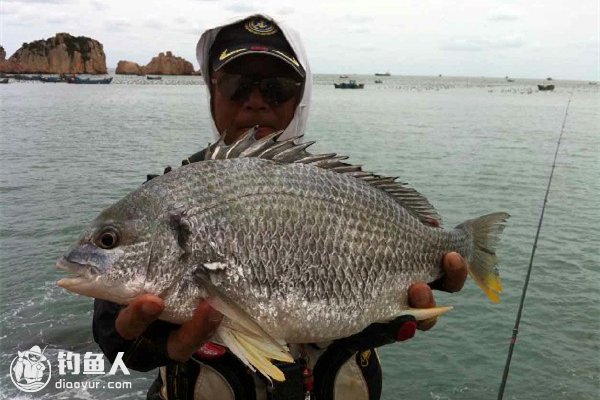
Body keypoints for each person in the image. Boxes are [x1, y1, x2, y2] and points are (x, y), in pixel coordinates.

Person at [93, 14, 468, 400]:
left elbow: (383, 276)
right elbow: (112, 337)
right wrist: (158, 345)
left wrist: (405, 297)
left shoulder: (336, 188)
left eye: (277, 88)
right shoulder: (163, 198)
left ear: (300, 96)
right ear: (212, 90)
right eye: (237, 86)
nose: (256, 102)